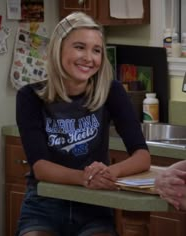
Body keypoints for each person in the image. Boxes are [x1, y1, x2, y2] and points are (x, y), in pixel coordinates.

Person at [16, 11, 151, 236]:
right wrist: (85, 178)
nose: (89, 57)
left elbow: (142, 155)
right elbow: (40, 167)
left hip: (94, 206)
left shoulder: (112, 91)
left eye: (96, 50)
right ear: (58, 49)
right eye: (80, 47)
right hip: (44, 205)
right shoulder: (30, 96)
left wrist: (108, 172)